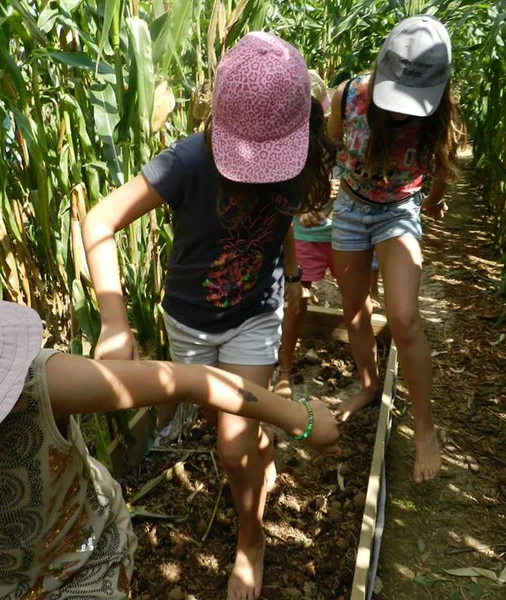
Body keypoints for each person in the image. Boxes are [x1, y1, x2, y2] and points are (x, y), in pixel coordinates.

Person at [0, 214, 341, 599]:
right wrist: (301, 419)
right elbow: (191, 382)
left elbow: (190, 382)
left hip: (78, 567)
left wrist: (299, 421)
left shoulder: (32, 388)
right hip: (28, 573)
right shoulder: (35, 386)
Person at [82, 32, 334, 600]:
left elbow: (281, 221)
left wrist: (293, 278)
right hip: (191, 323)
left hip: (255, 314)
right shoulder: (187, 162)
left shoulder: (304, 156)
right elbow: (98, 222)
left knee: (229, 447)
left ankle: (252, 540)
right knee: (238, 433)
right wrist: (115, 320)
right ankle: (259, 453)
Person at [327, 15, 463, 484]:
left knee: (403, 318)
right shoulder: (349, 96)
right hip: (349, 209)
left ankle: (425, 429)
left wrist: (435, 204)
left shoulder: (440, 114)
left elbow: (442, 167)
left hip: (399, 210)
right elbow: (333, 139)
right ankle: (368, 386)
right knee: (353, 309)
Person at [274, 74, 379, 400]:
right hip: (307, 235)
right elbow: (283, 194)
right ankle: (285, 371)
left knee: (361, 307)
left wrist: (335, 200)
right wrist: (302, 209)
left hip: (346, 235)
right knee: (296, 304)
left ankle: (367, 378)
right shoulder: (289, 146)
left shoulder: (349, 140)